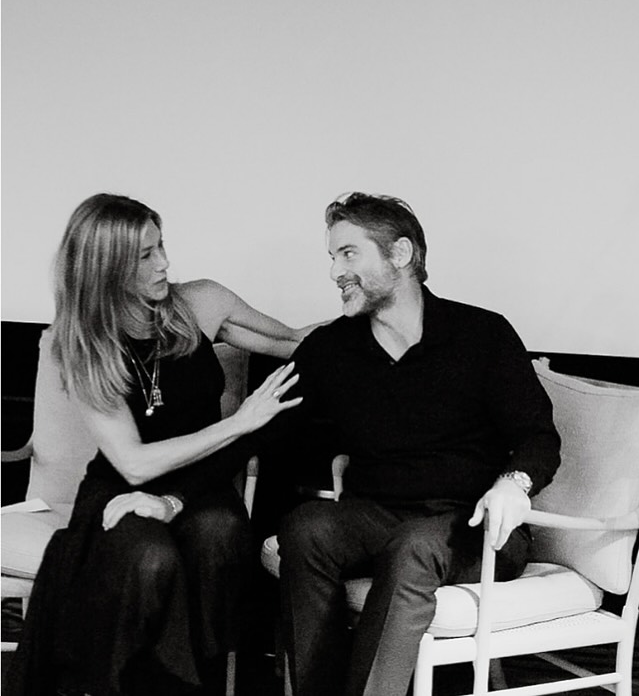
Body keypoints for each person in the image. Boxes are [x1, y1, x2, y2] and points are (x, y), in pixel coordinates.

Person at [7, 193, 317, 696]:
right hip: (120, 488)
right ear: (106, 267)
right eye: (145, 256)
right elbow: (131, 464)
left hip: (202, 484)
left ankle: (201, 687)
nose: (165, 264)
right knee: (151, 559)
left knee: (219, 534)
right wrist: (238, 424)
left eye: (162, 245)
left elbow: (298, 343)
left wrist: (362, 312)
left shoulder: (201, 302)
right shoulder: (83, 342)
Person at [276, 192, 562, 696]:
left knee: (412, 546)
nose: (334, 272)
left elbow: (538, 435)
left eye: (348, 254)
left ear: (401, 254)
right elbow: (275, 433)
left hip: (475, 526)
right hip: (379, 516)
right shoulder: (332, 349)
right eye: (332, 257)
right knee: (308, 528)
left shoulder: (482, 335)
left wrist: (514, 485)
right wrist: (174, 495)